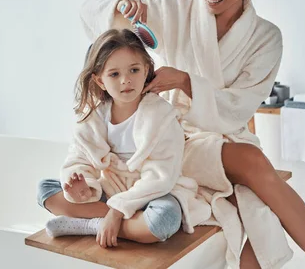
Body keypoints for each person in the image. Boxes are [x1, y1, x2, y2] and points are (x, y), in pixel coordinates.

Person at [80, 0, 305, 268]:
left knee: (249, 207)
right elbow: (89, 13)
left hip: (222, 134)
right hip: (169, 135)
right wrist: (121, 8)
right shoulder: (175, 7)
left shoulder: (266, 38)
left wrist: (186, 82)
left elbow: (238, 109)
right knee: (251, 177)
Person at [37, 29, 211, 248]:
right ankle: (113, 223)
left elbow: (161, 175)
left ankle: (91, 224)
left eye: (134, 70)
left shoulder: (162, 117)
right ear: (100, 81)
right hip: (111, 188)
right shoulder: (93, 118)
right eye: (114, 74)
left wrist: (118, 211)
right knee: (45, 190)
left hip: (151, 193)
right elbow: (79, 159)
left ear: (146, 70)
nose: (126, 80)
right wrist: (82, 187)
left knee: (164, 221)